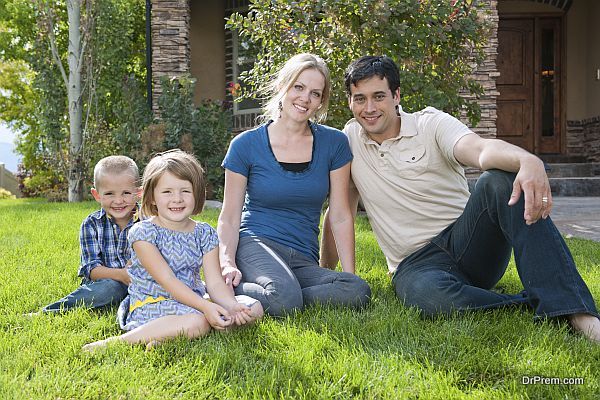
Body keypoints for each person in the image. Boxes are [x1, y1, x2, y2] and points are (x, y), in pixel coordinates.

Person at [321, 55, 600, 343]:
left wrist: (526, 159)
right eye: (360, 99)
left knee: (498, 179)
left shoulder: (432, 124)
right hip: (416, 265)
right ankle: (537, 302)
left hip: (470, 241)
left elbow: (480, 150)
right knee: (427, 297)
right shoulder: (349, 142)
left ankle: (578, 313)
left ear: (396, 95)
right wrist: (325, 274)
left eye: (378, 96)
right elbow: (340, 212)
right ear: (350, 102)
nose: (369, 108)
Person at [218, 53, 371, 317]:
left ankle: (283, 295)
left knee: (357, 290)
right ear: (283, 87)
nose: (305, 98)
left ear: (321, 101)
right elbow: (230, 217)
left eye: (315, 93)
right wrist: (227, 262)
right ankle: (224, 291)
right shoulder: (246, 145)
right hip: (257, 243)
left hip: (302, 256)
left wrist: (348, 275)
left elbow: (340, 215)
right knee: (284, 298)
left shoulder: (334, 144)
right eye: (298, 87)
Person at [83, 150, 263, 350]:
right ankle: (116, 343)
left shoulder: (204, 233)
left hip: (195, 301)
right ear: (151, 197)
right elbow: (168, 280)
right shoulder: (143, 232)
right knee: (198, 322)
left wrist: (231, 305)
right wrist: (206, 307)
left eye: (185, 191)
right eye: (167, 192)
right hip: (154, 303)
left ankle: (169, 336)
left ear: (197, 193)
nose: (177, 199)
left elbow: (213, 282)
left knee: (253, 307)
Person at [35, 155, 140, 314]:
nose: (118, 201)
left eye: (126, 193)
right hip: (107, 282)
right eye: (109, 194)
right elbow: (91, 269)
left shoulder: (149, 220)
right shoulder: (91, 224)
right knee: (110, 289)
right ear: (97, 195)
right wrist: (122, 275)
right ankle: (49, 311)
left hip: (144, 281)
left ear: (138, 192)